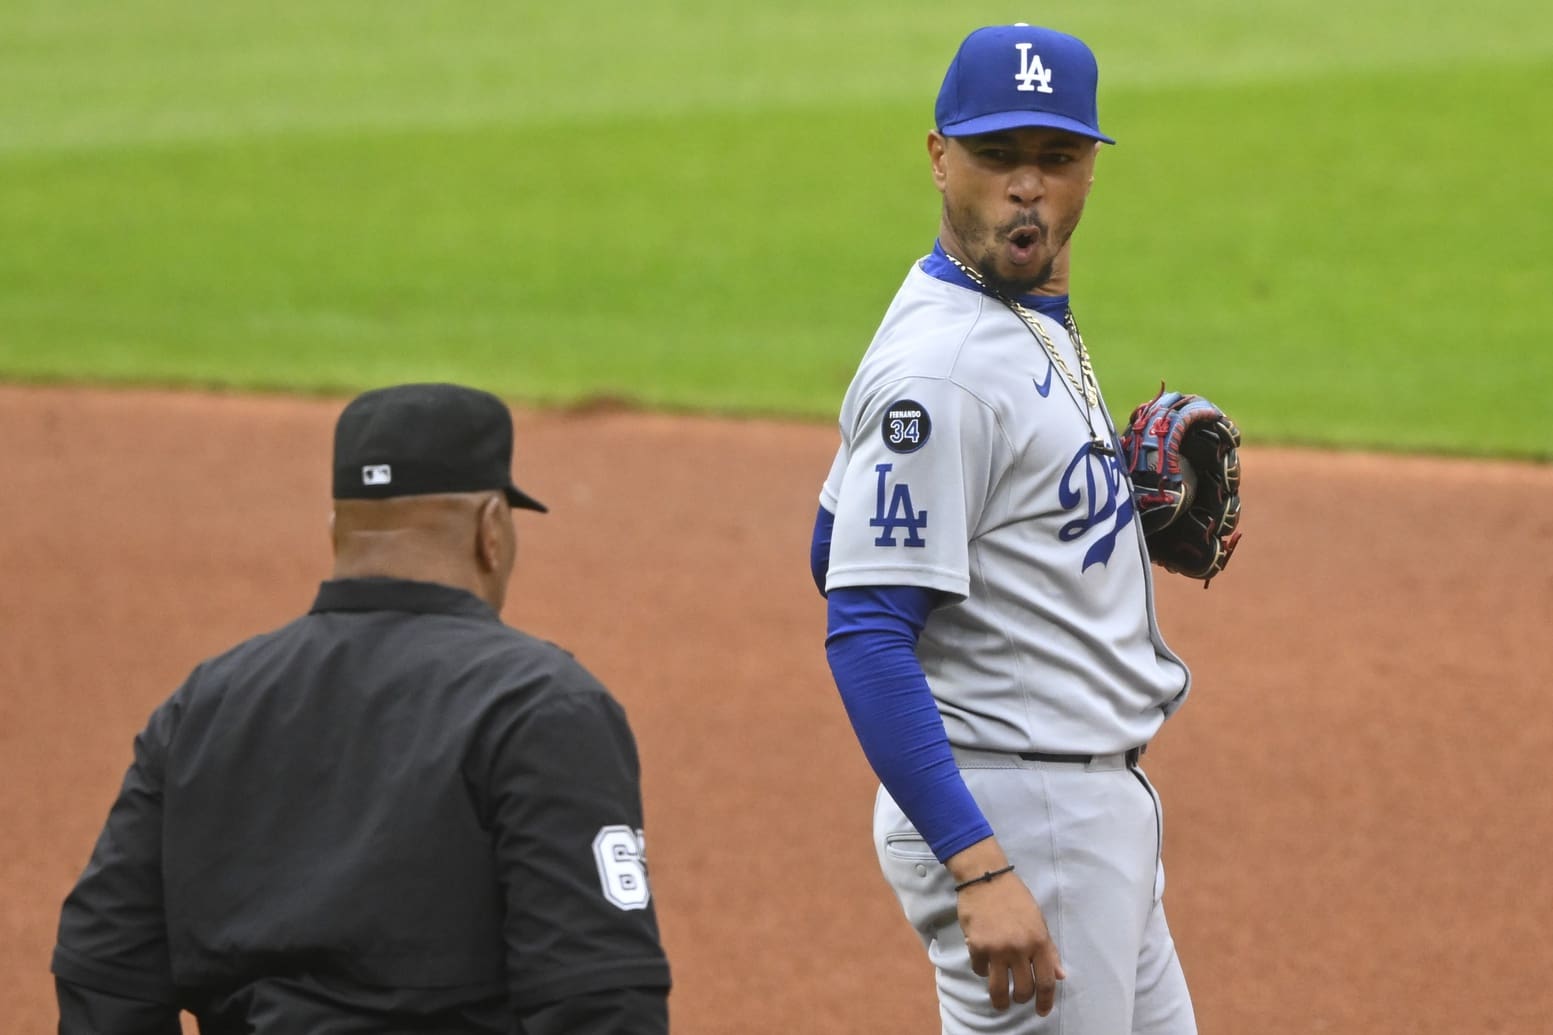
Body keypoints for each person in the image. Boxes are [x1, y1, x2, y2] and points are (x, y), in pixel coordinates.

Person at [53, 382, 672, 1034]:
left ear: (335, 532)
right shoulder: (541, 706)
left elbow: (104, 968)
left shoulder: (202, 705)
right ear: (492, 528)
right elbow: (602, 1000)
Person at [812, 24, 1200, 1034]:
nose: (1026, 187)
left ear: (1088, 168)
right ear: (939, 155)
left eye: (1055, 159)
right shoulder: (940, 373)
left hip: (1076, 810)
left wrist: (1066, 530)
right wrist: (979, 866)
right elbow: (860, 625)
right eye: (995, 157)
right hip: (1022, 819)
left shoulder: (997, 307)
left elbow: (832, 542)